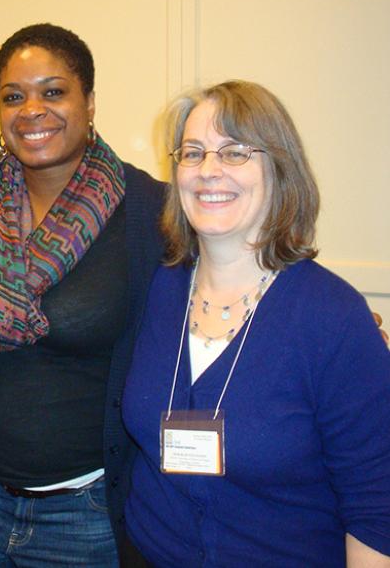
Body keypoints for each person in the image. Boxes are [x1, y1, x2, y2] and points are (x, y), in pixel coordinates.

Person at [0, 23, 166, 566]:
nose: (31, 109)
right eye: (14, 96)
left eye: (53, 91)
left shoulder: (150, 209)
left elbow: (219, 288)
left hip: (83, 515)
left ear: (90, 102)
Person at [123, 80, 390, 565]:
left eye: (235, 152)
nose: (209, 171)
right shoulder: (158, 289)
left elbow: (377, 507)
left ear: (279, 169)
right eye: (193, 152)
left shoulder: (334, 319)